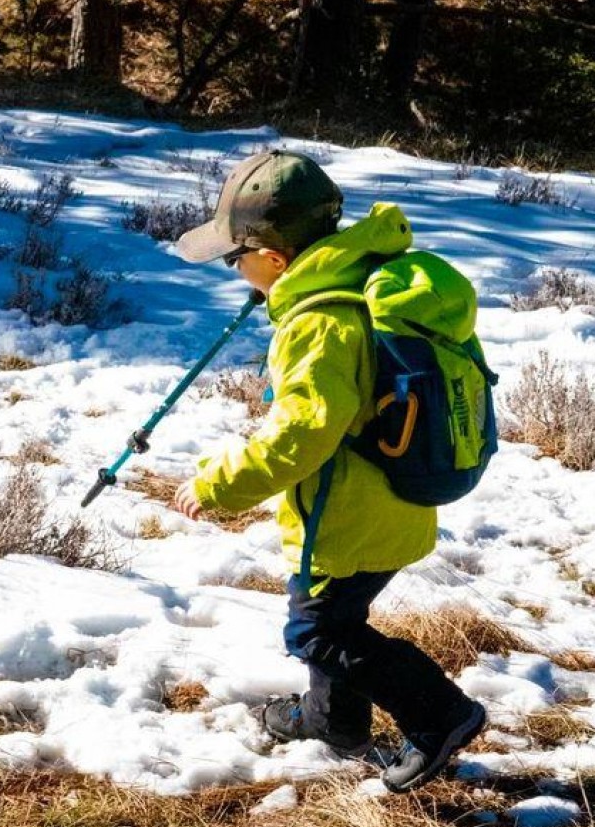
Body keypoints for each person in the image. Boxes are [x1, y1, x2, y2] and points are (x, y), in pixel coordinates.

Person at [172, 149, 486, 793]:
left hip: (347, 513)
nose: (235, 270)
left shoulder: (319, 321)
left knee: (316, 631)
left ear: (276, 259)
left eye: (238, 258)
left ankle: (440, 715)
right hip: (384, 501)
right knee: (332, 617)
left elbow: (301, 434)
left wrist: (219, 484)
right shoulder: (351, 284)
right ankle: (332, 721)